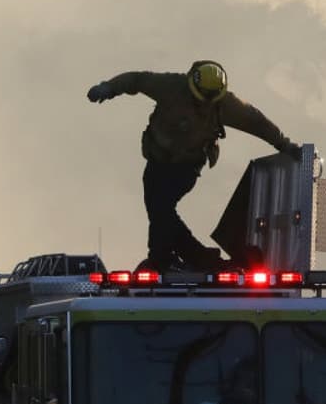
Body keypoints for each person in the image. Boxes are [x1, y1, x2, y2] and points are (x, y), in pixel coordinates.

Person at [87, 60, 301, 273]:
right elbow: (136, 80)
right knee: (160, 211)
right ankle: (198, 258)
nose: (204, 104)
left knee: (161, 208)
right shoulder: (171, 86)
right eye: (201, 98)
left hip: (186, 167)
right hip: (157, 161)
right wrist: (108, 88)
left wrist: (284, 145)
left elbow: (256, 122)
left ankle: (162, 258)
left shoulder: (224, 104)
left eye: (210, 99)